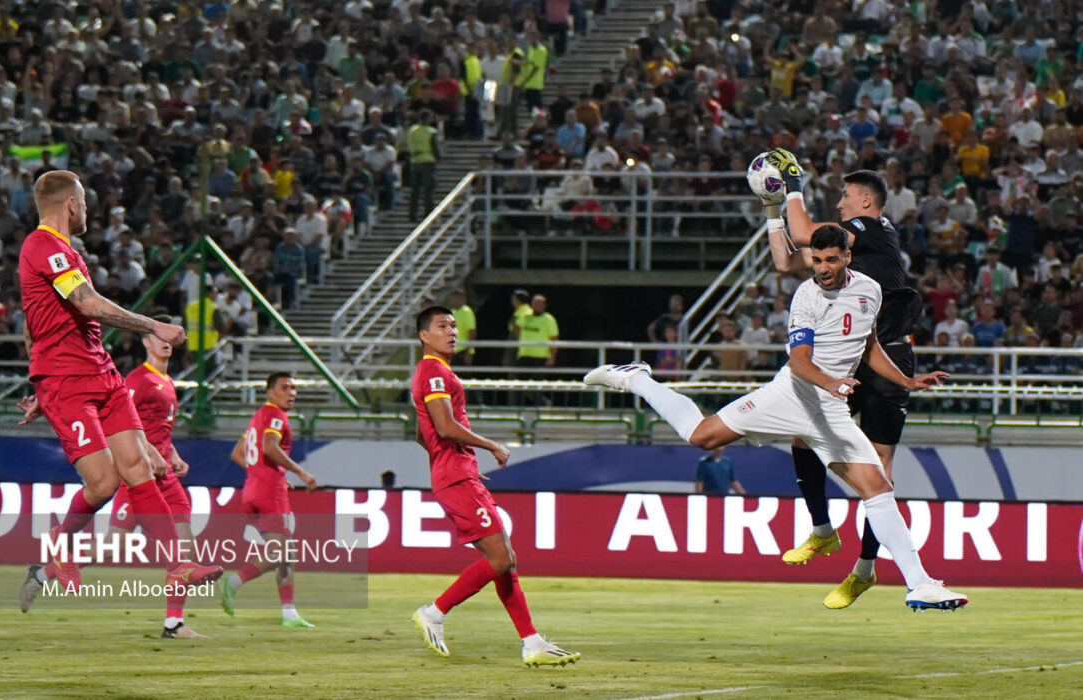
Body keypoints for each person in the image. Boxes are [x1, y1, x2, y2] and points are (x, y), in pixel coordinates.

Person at [585, 226, 967, 612]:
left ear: (847, 256)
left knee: (879, 490)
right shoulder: (806, 296)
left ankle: (920, 584)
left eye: (831, 259)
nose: (823, 268)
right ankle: (637, 379)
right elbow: (800, 362)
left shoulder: (870, 289)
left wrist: (906, 380)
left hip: (829, 410)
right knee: (702, 436)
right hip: (790, 396)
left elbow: (867, 345)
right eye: (817, 260)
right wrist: (832, 382)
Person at [16, 171, 222, 614]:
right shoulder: (42, 246)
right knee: (105, 481)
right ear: (71, 204)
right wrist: (154, 324)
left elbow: (43, 319)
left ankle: (178, 564)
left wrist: (38, 381)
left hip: (101, 374)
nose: (88, 209)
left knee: (140, 467)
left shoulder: (68, 252)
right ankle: (59, 545)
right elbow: (87, 305)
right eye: (85, 200)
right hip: (68, 383)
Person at [762, 152, 927, 609]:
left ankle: (865, 569)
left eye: (845, 196)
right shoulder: (849, 251)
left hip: (889, 351)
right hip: (853, 359)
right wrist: (771, 211)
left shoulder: (874, 229)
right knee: (800, 435)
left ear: (867, 201)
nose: (838, 204)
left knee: (879, 468)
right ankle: (821, 530)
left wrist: (794, 182)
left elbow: (804, 232)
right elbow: (788, 260)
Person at [410, 305, 579, 666]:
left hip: (458, 473)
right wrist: (490, 446)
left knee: (506, 560)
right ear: (424, 335)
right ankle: (434, 612)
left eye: (454, 326)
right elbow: (442, 427)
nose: (452, 332)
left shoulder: (436, 373)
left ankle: (532, 642)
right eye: (442, 326)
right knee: (501, 558)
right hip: (456, 478)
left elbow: (420, 433)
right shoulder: (432, 372)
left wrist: (457, 460)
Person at [91, 316, 205, 638]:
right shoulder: (138, 380)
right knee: (112, 549)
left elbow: (158, 430)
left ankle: (174, 624)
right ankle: (48, 570)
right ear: (145, 340)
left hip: (166, 477)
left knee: (184, 551)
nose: (166, 340)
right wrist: (149, 453)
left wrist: (172, 455)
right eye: (157, 334)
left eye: (170, 334)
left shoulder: (168, 382)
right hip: (139, 476)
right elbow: (116, 421)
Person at [221, 372, 319, 628]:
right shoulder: (276, 415)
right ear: (270, 392)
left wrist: (262, 473)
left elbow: (237, 454)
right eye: (285, 388)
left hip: (252, 491)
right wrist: (300, 472)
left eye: (294, 388)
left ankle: (289, 613)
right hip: (269, 493)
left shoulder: (258, 416)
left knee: (286, 552)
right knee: (283, 551)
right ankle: (233, 583)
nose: (292, 393)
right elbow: (269, 447)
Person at [449, 289, 476, 366]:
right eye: (454, 297)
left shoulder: (467, 312)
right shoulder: (452, 312)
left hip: (462, 350)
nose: (455, 299)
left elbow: (472, 332)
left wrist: (469, 352)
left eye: (457, 297)